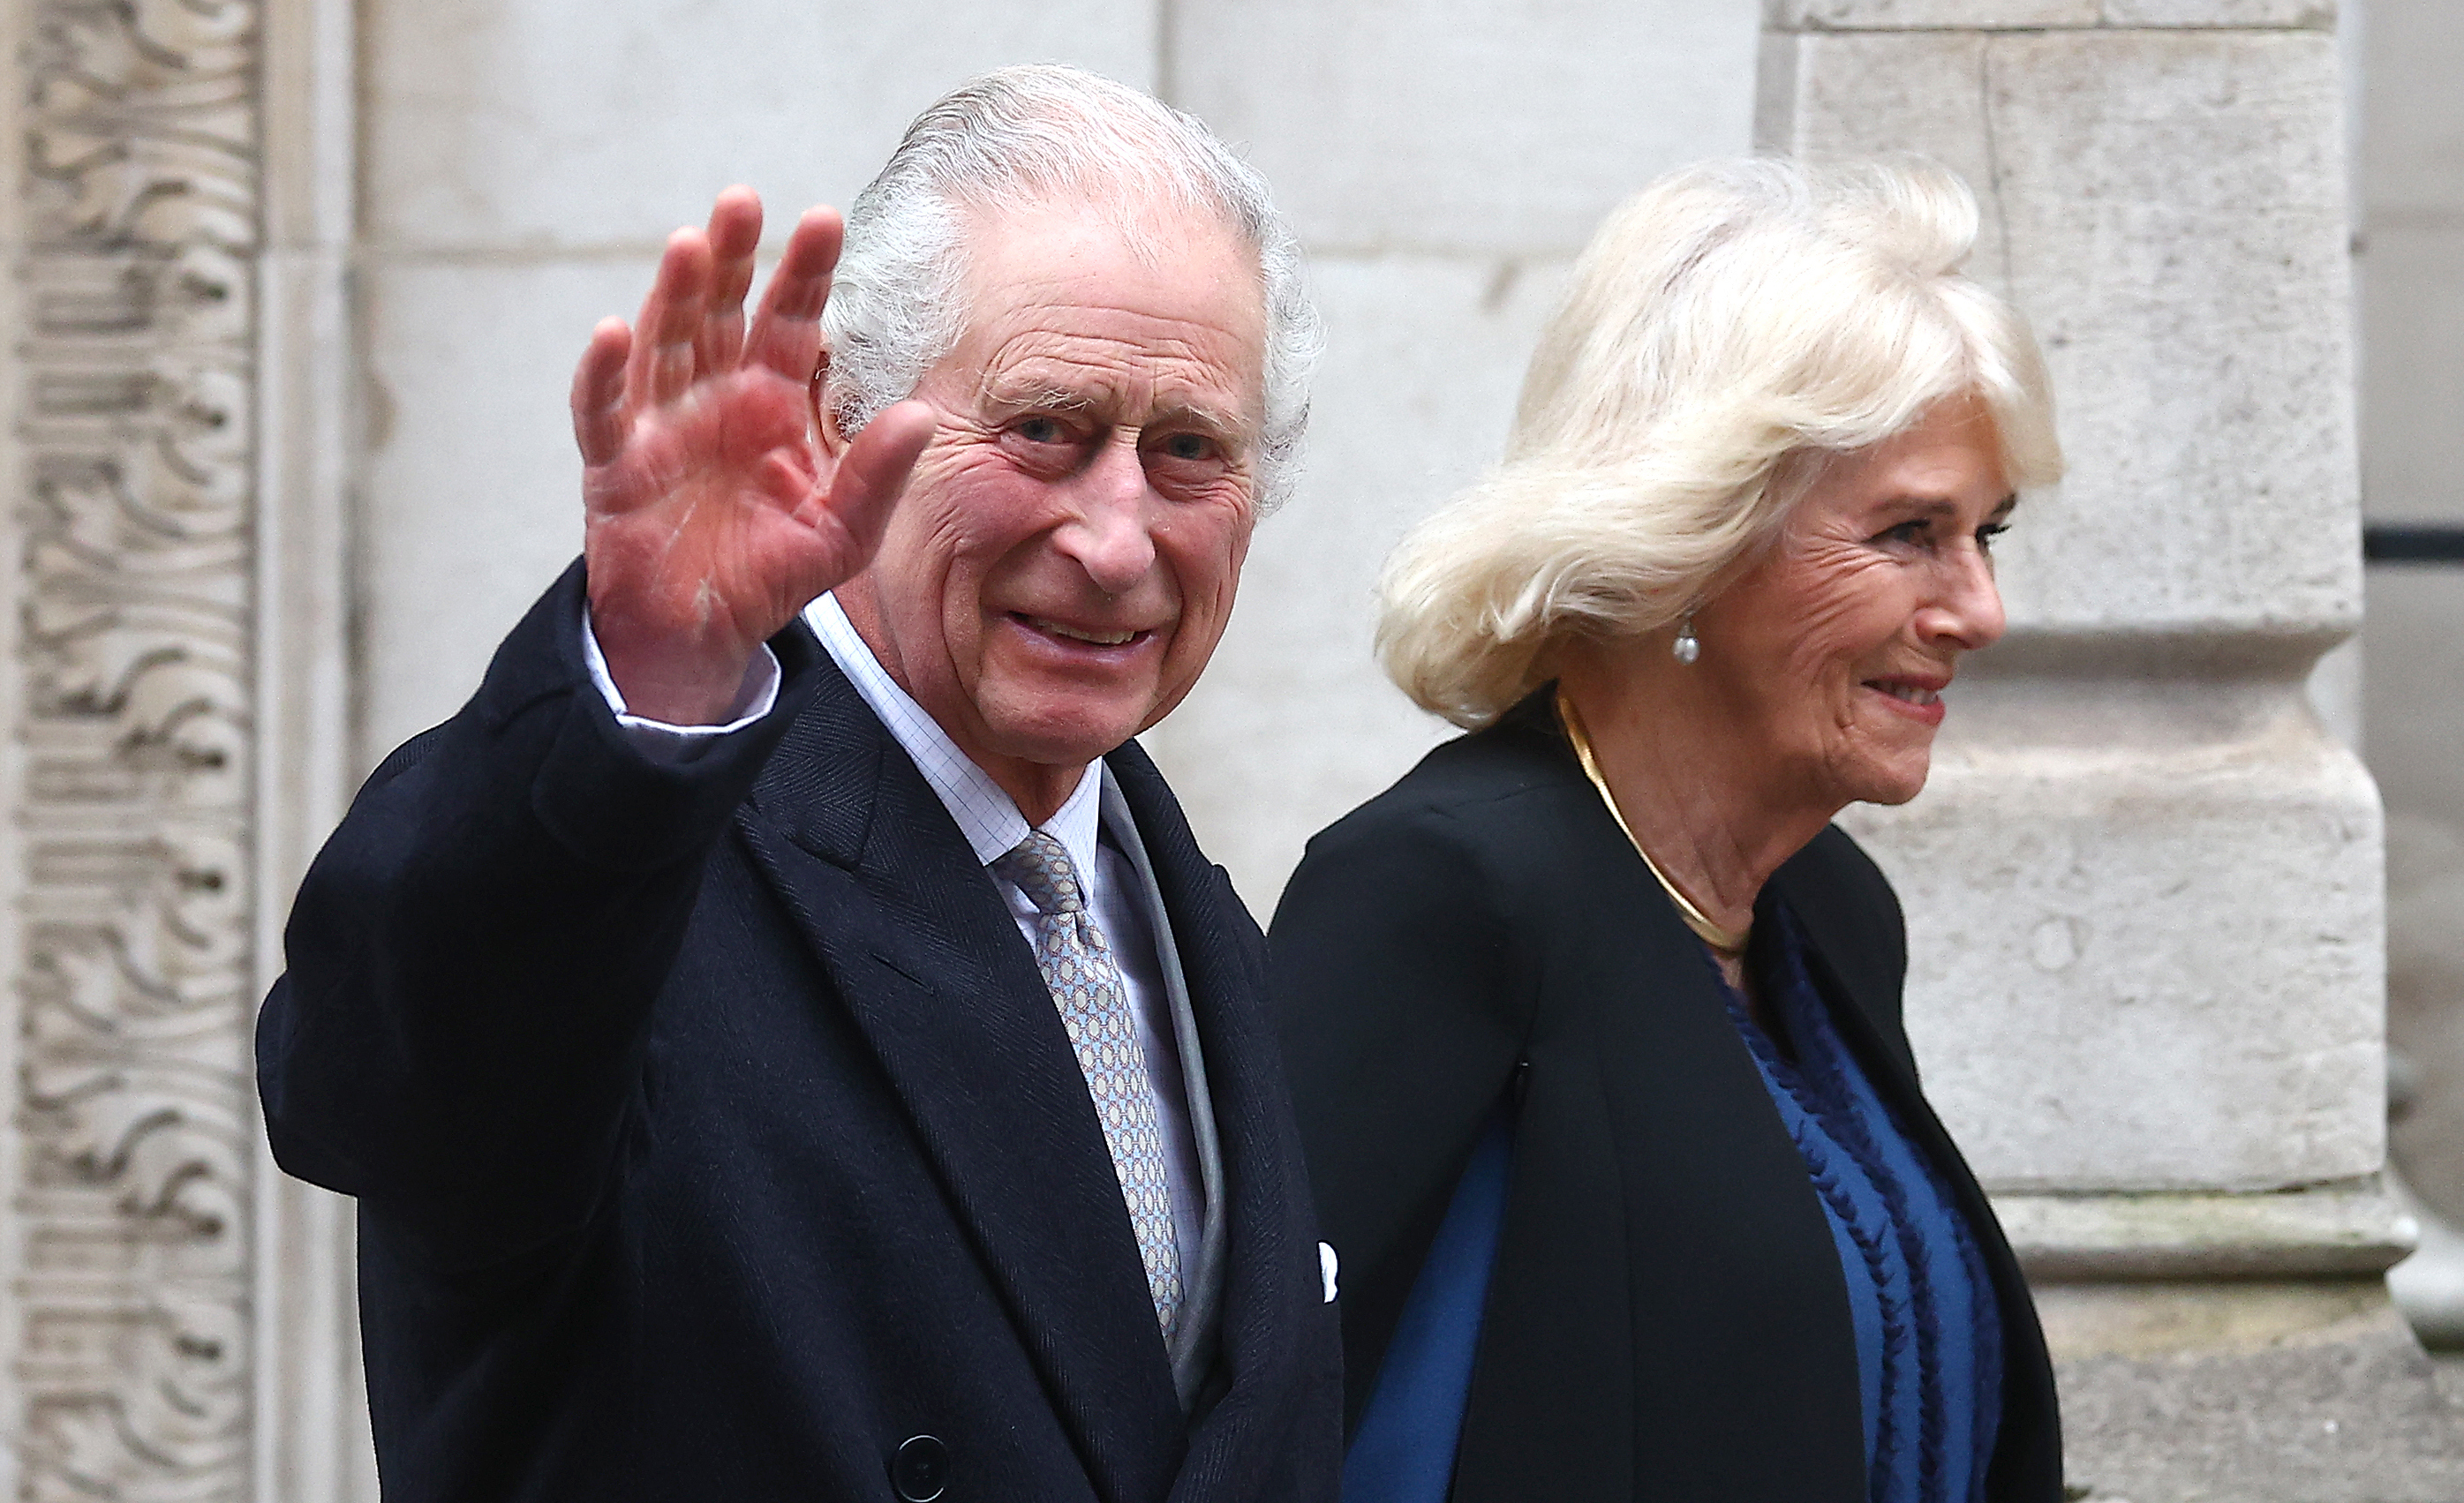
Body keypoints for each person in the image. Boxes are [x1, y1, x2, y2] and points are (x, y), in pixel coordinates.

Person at [257, 65, 1339, 1503]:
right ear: (841, 419)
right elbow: (370, 1086)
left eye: (1189, 451)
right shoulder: (638, 859)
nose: (1118, 539)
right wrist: (641, 691)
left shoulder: (1187, 917)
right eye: (1046, 430)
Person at [1270, 156, 2067, 1503]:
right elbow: (1278, 1418)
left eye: (1986, 532)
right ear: (1690, 536)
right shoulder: (1445, 892)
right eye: (1909, 533)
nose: (1979, 608)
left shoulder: (1832, 909)